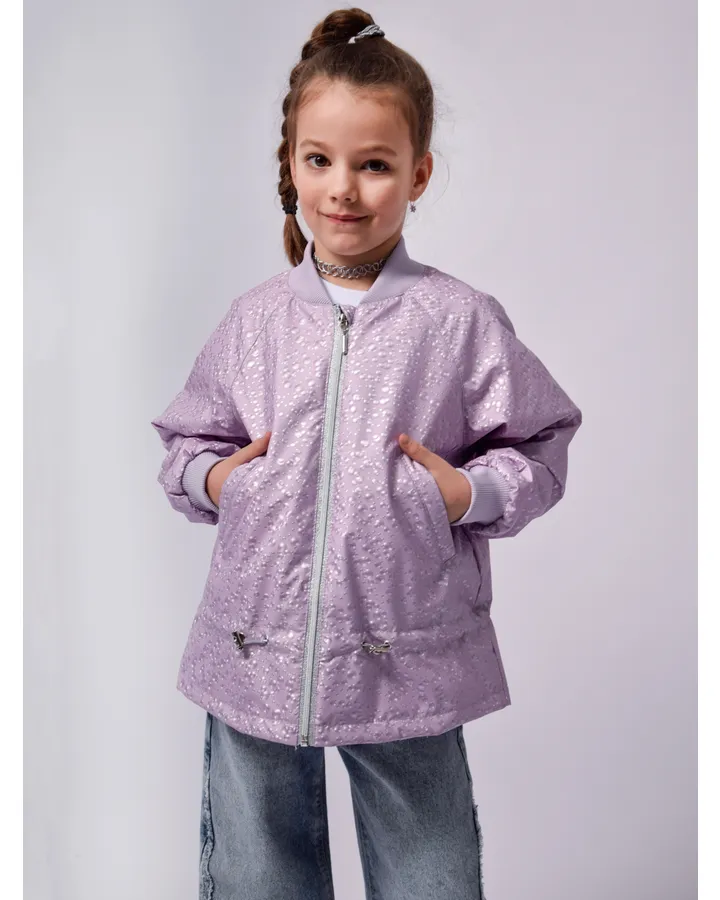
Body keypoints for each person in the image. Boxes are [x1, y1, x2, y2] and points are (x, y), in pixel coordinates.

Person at [150, 8, 582, 899]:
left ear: (418, 173)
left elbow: (540, 441)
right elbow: (187, 440)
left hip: (408, 652)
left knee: (430, 877)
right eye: (319, 160)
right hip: (256, 648)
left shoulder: (457, 321)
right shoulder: (256, 321)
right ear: (291, 166)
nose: (342, 189)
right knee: (257, 876)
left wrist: (465, 494)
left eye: (374, 164)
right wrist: (217, 478)